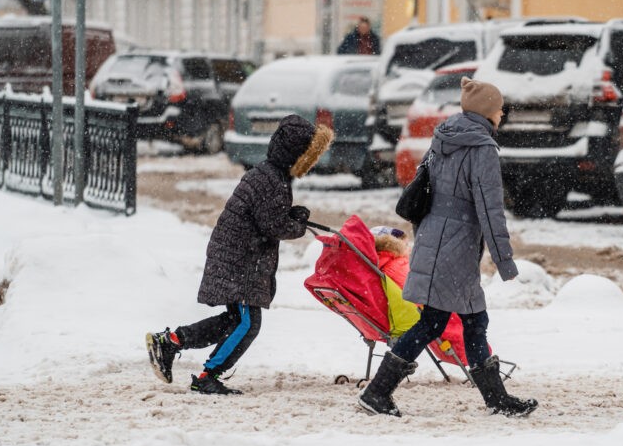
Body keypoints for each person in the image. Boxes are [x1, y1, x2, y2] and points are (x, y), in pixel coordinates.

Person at [358, 77, 538, 417]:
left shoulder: (444, 137)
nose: (502, 112)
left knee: (456, 320)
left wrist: (430, 234)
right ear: (488, 111)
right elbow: (490, 209)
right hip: (455, 246)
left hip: (434, 238)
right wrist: (505, 260)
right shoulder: (481, 148)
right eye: (500, 107)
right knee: (449, 321)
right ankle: (378, 392)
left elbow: (423, 189)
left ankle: (494, 399)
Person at [146, 115, 334, 395]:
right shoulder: (273, 181)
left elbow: (268, 217)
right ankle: (207, 376)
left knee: (235, 321)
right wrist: (297, 223)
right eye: (309, 155)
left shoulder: (269, 174)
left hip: (236, 255)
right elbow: (273, 225)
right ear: (296, 154)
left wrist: (292, 217)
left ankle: (171, 342)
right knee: (247, 323)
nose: (312, 162)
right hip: (241, 260)